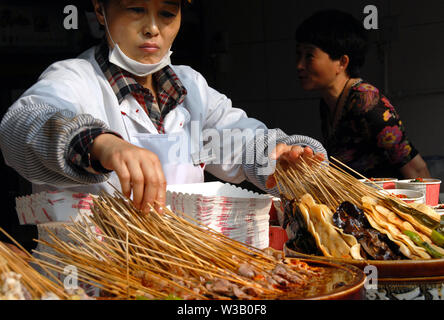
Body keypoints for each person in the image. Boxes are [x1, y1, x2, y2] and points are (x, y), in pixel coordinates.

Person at [0, 0, 326, 219]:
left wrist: (277, 157)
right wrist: (101, 143)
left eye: (167, 14)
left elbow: (234, 139)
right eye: (136, 9)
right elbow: (20, 126)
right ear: (101, 10)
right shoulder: (74, 79)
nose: (153, 28)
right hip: (90, 281)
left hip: (181, 276)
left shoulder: (190, 88)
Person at [295, 9, 430, 179]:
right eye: (298, 54)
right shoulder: (328, 103)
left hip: (390, 202)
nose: (299, 65)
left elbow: (417, 170)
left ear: (342, 62)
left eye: (309, 56)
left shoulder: (366, 101)